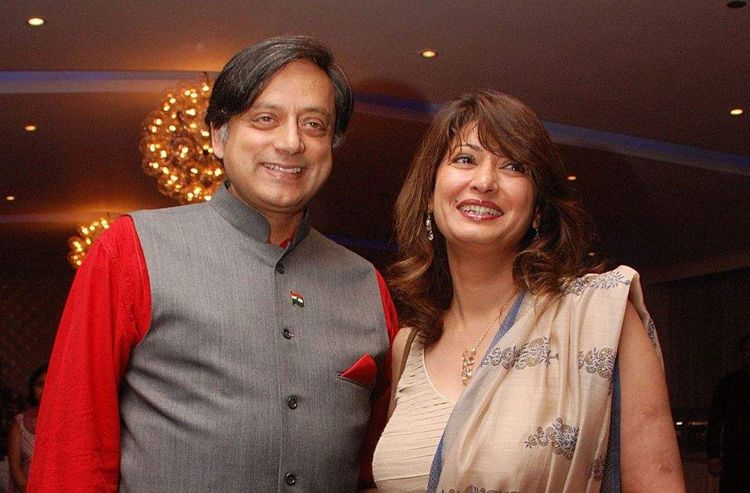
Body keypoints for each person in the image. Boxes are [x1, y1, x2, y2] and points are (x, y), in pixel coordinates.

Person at [28, 36, 398, 492]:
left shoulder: (366, 286)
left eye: (314, 124)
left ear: (332, 147)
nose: (291, 142)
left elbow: (381, 466)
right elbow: (71, 451)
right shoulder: (130, 250)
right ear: (219, 136)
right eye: (265, 118)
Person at [372, 90, 684, 491]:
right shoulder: (410, 346)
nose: (485, 181)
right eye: (465, 159)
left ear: (537, 209)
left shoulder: (598, 318)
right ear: (429, 195)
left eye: (513, 166)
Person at [706, 333, 750, 492]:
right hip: (735, 458)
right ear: (742, 354)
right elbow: (715, 421)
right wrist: (713, 454)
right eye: (747, 351)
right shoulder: (729, 383)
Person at [7, 365, 46, 493]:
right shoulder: (20, 423)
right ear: (33, 389)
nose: (45, 389)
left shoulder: (69, 421)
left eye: (50, 384)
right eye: (40, 385)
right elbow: (15, 467)